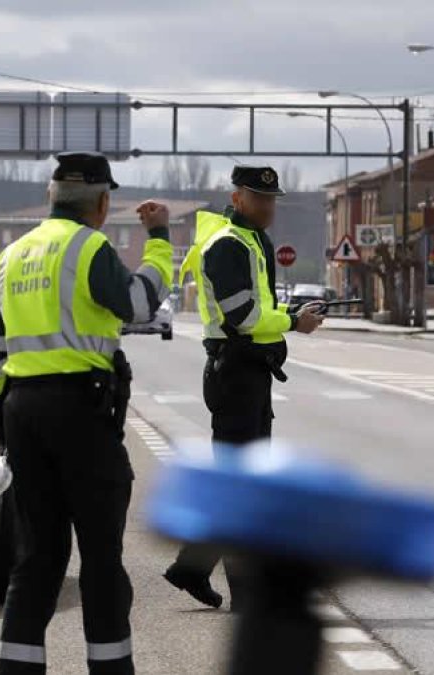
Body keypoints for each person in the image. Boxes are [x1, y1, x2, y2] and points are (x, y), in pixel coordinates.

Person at [0, 151, 174, 675]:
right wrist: (159, 241)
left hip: (23, 414)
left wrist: (3, 419)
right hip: (80, 414)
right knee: (101, 561)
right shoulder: (88, 247)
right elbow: (139, 304)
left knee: (36, 560)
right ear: (103, 203)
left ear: (51, 196)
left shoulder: (12, 256)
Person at [163, 165, 324, 611]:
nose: (268, 206)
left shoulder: (253, 241)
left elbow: (260, 307)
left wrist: (291, 312)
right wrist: (294, 322)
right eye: (258, 198)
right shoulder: (227, 246)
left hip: (250, 374)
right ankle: (245, 594)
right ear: (237, 199)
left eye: (272, 199)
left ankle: (192, 568)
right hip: (235, 375)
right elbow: (245, 317)